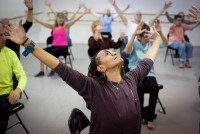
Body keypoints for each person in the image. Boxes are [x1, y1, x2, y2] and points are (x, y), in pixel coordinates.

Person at [4, 18, 162, 134]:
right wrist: (25, 41)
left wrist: (158, 38)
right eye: (107, 53)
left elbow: (148, 60)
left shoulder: (131, 79)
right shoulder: (93, 88)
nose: (113, 52)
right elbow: (59, 66)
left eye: (112, 51)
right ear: (101, 67)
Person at [123, 20, 168, 130]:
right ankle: (139, 116)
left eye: (149, 34)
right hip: (135, 72)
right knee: (139, 88)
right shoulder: (134, 43)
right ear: (140, 36)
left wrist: (160, 33)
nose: (149, 37)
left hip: (149, 73)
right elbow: (126, 53)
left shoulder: (151, 43)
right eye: (146, 35)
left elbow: (166, 44)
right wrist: (133, 35)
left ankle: (150, 118)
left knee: (154, 87)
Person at [33, 9, 89, 77]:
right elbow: (41, 22)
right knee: (42, 52)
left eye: (62, 18)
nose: (61, 19)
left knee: (53, 53)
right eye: (59, 17)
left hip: (63, 48)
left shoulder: (65, 26)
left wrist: (84, 13)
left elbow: (75, 20)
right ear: (56, 18)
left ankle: (53, 69)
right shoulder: (53, 26)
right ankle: (42, 71)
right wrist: (32, 16)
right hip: (54, 46)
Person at [0, 24, 27, 134]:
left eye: (4, 34)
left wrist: (18, 89)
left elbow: (31, 47)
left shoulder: (12, 43)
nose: (3, 38)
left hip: (7, 88)